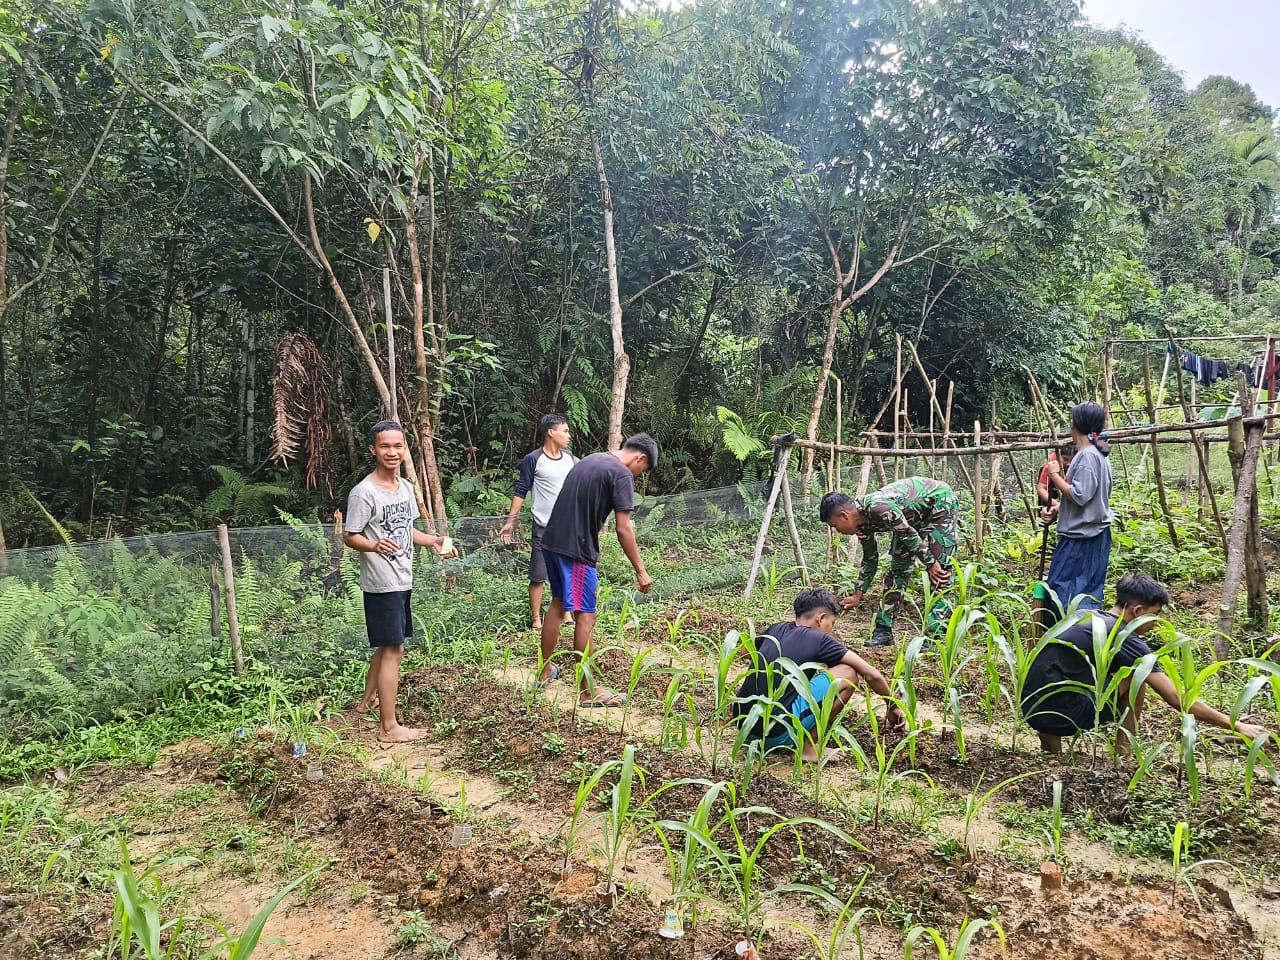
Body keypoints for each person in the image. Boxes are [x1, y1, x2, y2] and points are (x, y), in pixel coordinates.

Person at [1022, 573, 1268, 754]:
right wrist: (1236, 724)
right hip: (1065, 715)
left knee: (1067, 675)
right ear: (1138, 611)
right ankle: (1125, 753)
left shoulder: (1083, 615)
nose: (1157, 622)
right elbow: (1176, 698)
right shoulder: (1123, 635)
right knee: (1136, 677)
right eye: (1156, 614)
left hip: (1032, 709)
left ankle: (1050, 750)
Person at [344, 421, 454, 743]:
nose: (391, 452)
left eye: (397, 446)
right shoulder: (364, 492)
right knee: (394, 647)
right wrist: (374, 545)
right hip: (381, 582)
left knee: (387, 644)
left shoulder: (405, 487)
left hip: (402, 577)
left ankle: (367, 702)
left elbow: (407, 530)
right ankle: (389, 728)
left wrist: (433, 540)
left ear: (405, 449)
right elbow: (351, 536)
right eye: (384, 446)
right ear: (373, 450)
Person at [536, 433, 658, 706]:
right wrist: (640, 569)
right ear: (640, 458)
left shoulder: (591, 460)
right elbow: (623, 528)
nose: (639, 475)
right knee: (586, 617)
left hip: (552, 543)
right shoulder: (621, 474)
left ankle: (544, 672)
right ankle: (587, 691)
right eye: (643, 470)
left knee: (557, 606)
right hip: (577, 552)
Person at [733, 589, 906, 762]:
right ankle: (807, 748)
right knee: (848, 674)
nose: (830, 631)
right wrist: (892, 706)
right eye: (831, 623)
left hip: (744, 727)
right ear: (821, 618)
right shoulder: (819, 639)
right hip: (776, 734)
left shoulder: (776, 628)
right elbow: (871, 674)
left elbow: (743, 652)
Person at [820, 477, 959, 647]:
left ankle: (934, 636)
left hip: (938, 503)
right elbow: (870, 559)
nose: (838, 531)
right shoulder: (861, 525)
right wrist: (858, 594)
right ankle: (883, 631)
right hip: (908, 520)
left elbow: (908, 533)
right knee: (898, 570)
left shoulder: (879, 508)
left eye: (835, 525)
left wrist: (930, 563)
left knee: (940, 572)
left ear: (844, 516)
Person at [499, 414, 577, 630]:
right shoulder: (534, 459)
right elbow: (522, 489)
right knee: (538, 574)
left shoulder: (571, 459)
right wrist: (511, 520)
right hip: (543, 527)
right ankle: (536, 620)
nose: (568, 435)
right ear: (551, 432)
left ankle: (567, 614)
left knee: (566, 571)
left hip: (568, 527)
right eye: (565, 430)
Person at [1041, 402, 1112, 617]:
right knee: (1086, 593)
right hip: (1093, 535)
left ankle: (1063, 642)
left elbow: (1080, 496)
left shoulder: (1087, 456)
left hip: (1081, 538)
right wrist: (1058, 509)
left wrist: (1054, 475)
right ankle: (1084, 642)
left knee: (1061, 593)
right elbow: (1090, 498)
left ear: (1075, 424)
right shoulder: (1097, 455)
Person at [1036, 441, 1077, 507]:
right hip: (1052, 488)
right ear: (1060, 457)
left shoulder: (1082, 463)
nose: (1068, 464)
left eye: (1072, 460)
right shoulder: (1052, 462)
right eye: (1065, 459)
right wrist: (1057, 505)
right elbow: (1041, 488)